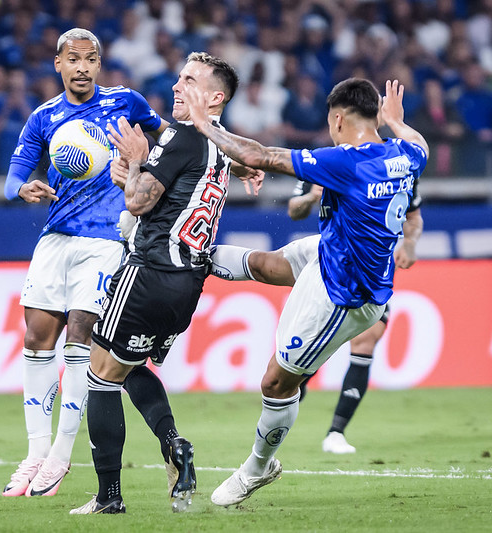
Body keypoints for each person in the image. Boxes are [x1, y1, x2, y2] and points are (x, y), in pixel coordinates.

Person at [183, 77, 428, 506]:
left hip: (346, 294)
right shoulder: (406, 153)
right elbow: (419, 141)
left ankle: (258, 467)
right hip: (333, 253)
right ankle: (189, 255)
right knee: (266, 263)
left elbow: (258, 155)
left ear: (337, 119)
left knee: (277, 383)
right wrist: (397, 123)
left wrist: (206, 123)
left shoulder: (346, 161)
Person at [69, 51, 261, 515]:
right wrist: (133, 178)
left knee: (100, 375)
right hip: (187, 284)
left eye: (189, 80)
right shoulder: (222, 145)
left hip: (149, 272)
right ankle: (174, 446)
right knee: (130, 365)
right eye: (178, 77)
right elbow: (169, 194)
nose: (176, 86)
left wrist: (133, 165)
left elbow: (138, 203)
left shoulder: (180, 136)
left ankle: (108, 498)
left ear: (214, 98)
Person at [1, 28, 169, 499]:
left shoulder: (126, 102)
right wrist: (21, 188)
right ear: (58, 64)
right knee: (37, 338)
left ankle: (60, 454)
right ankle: (35, 453)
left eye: (90, 59)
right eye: (73, 59)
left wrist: (146, 170)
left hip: (105, 240)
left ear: (100, 64)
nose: (82, 67)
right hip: (56, 238)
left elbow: (168, 141)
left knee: (80, 335)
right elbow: (13, 174)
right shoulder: (43, 117)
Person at [210, 177, 422, 455]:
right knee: (300, 363)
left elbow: (414, 215)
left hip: (370, 276)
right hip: (325, 270)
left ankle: (336, 432)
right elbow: (294, 211)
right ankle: (287, 403)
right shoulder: (322, 164)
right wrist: (311, 197)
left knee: (366, 340)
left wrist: (410, 243)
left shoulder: (395, 166)